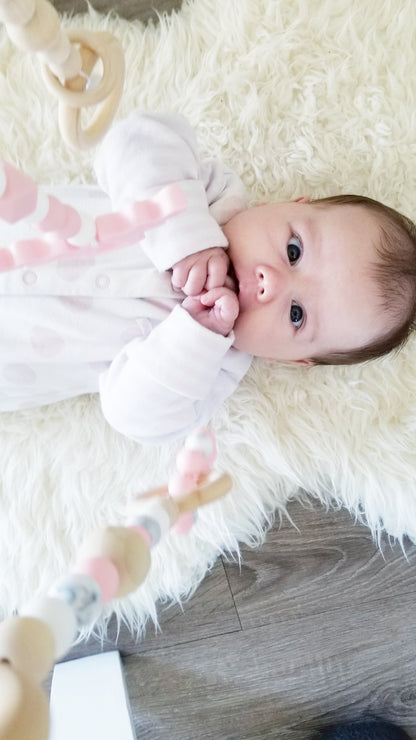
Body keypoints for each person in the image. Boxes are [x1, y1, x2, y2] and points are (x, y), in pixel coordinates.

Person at [0, 112, 415, 444]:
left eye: (296, 315)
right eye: (293, 251)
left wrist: (194, 336)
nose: (270, 283)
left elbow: (133, 417)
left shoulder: (212, 366)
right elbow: (132, 140)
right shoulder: (212, 198)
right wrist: (186, 236)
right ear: (287, 203)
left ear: (290, 360)